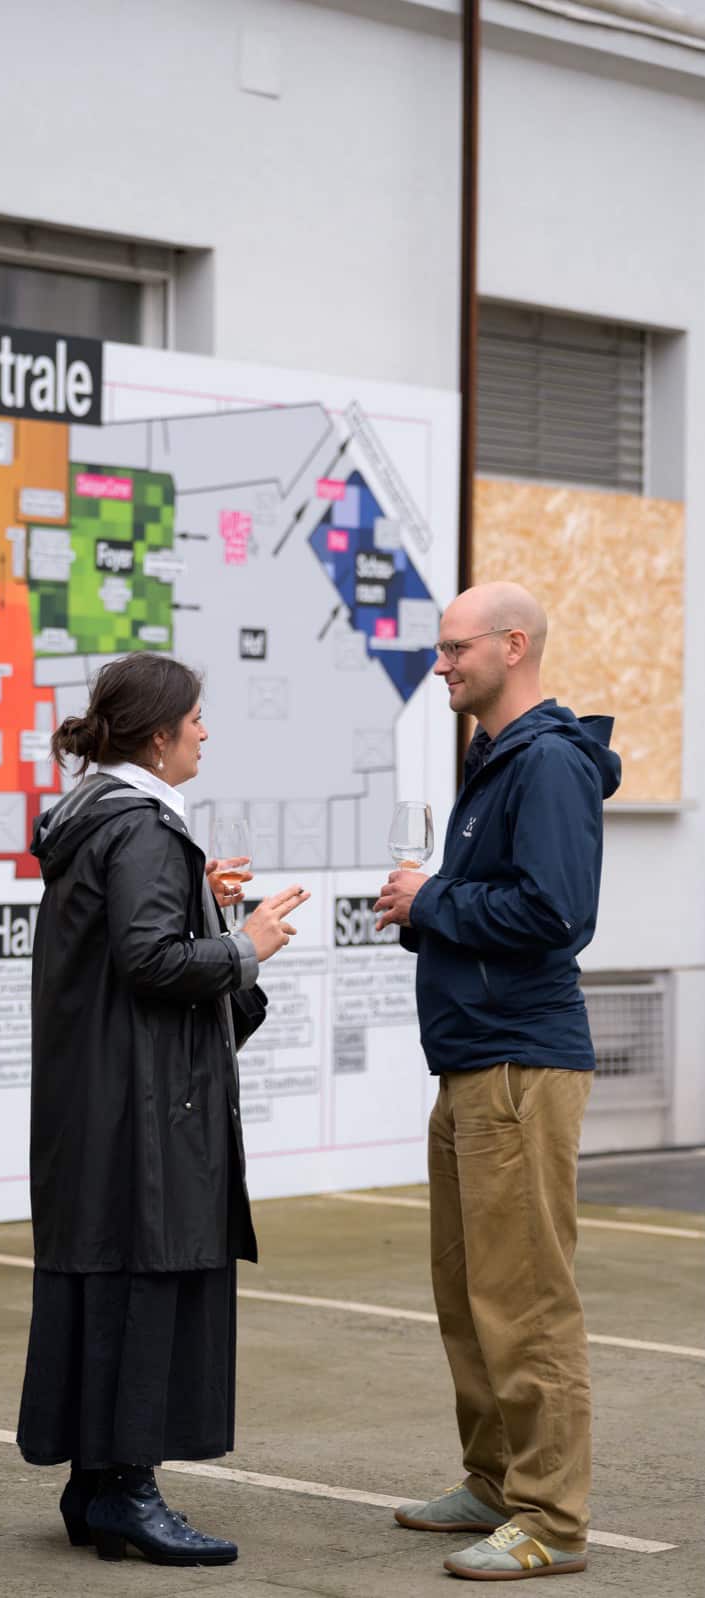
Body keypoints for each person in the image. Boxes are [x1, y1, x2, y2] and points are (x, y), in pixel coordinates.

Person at [17, 651, 309, 1567]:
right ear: (157, 736)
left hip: (99, 1102)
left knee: (105, 1282)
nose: (204, 733)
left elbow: (125, 944)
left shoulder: (92, 815)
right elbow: (150, 962)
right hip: (141, 1111)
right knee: (144, 1284)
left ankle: (94, 1488)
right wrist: (246, 944)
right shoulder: (140, 826)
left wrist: (198, 901)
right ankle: (128, 1493)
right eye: (194, 720)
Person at [375, 581, 621, 1582]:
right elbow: (495, 904)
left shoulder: (547, 762)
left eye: (454, 648)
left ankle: (551, 1519)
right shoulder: (494, 758)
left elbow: (555, 914)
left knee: (525, 1303)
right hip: (474, 1060)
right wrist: (429, 907)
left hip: (519, 1065)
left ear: (512, 647)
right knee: (470, 1296)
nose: (440, 664)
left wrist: (431, 899)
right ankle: (492, 1481)